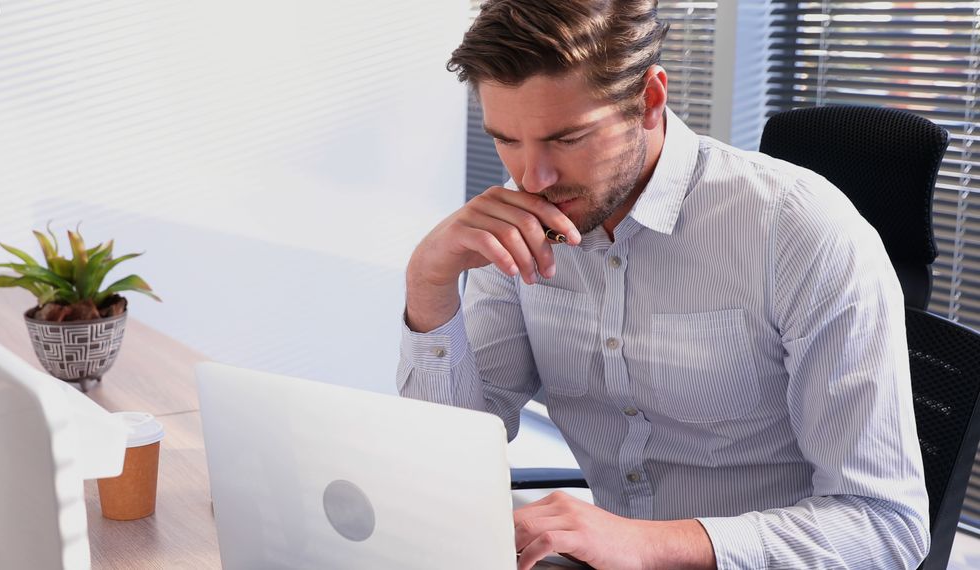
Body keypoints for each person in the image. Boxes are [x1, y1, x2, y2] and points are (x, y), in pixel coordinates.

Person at [397, 1, 930, 569]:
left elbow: (884, 526)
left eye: (568, 138)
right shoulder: (523, 221)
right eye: (508, 140)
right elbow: (450, 460)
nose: (533, 177)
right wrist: (430, 284)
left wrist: (645, 544)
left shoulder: (797, 230)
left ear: (649, 100)